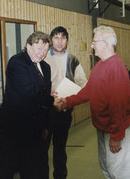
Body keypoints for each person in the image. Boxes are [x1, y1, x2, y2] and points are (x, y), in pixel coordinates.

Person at [61, 26, 130, 179]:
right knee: (107, 167)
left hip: (115, 129)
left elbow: (118, 104)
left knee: (120, 170)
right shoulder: (100, 66)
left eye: (94, 41)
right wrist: (66, 102)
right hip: (103, 126)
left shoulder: (115, 67)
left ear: (106, 44)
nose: (91, 45)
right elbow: (88, 91)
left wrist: (116, 135)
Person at [0, 31, 61, 179]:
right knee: (5, 171)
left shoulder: (45, 67)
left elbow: (42, 93)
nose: (42, 54)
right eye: (39, 49)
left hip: (34, 130)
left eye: (45, 50)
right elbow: (29, 93)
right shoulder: (17, 62)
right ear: (28, 46)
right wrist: (51, 101)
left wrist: (45, 126)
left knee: (32, 170)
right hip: (12, 130)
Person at [44, 26, 87, 179]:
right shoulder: (43, 56)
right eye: (56, 37)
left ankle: (60, 176)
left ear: (67, 40)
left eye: (63, 37)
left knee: (60, 147)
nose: (60, 41)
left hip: (64, 110)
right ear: (51, 40)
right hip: (45, 110)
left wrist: (70, 96)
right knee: (42, 148)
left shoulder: (73, 59)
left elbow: (82, 82)